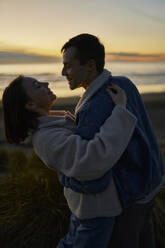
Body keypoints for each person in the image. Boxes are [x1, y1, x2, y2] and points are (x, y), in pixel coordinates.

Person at [2, 75, 137, 248]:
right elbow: (93, 159)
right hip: (94, 213)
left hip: (89, 208)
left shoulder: (54, 124)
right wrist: (120, 111)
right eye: (37, 86)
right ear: (30, 105)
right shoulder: (47, 138)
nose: (46, 83)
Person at [60, 33, 165, 248]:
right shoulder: (123, 83)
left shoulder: (92, 107)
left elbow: (92, 173)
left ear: (90, 65)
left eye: (68, 66)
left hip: (129, 198)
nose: (63, 72)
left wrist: (64, 177)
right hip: (151, 184)